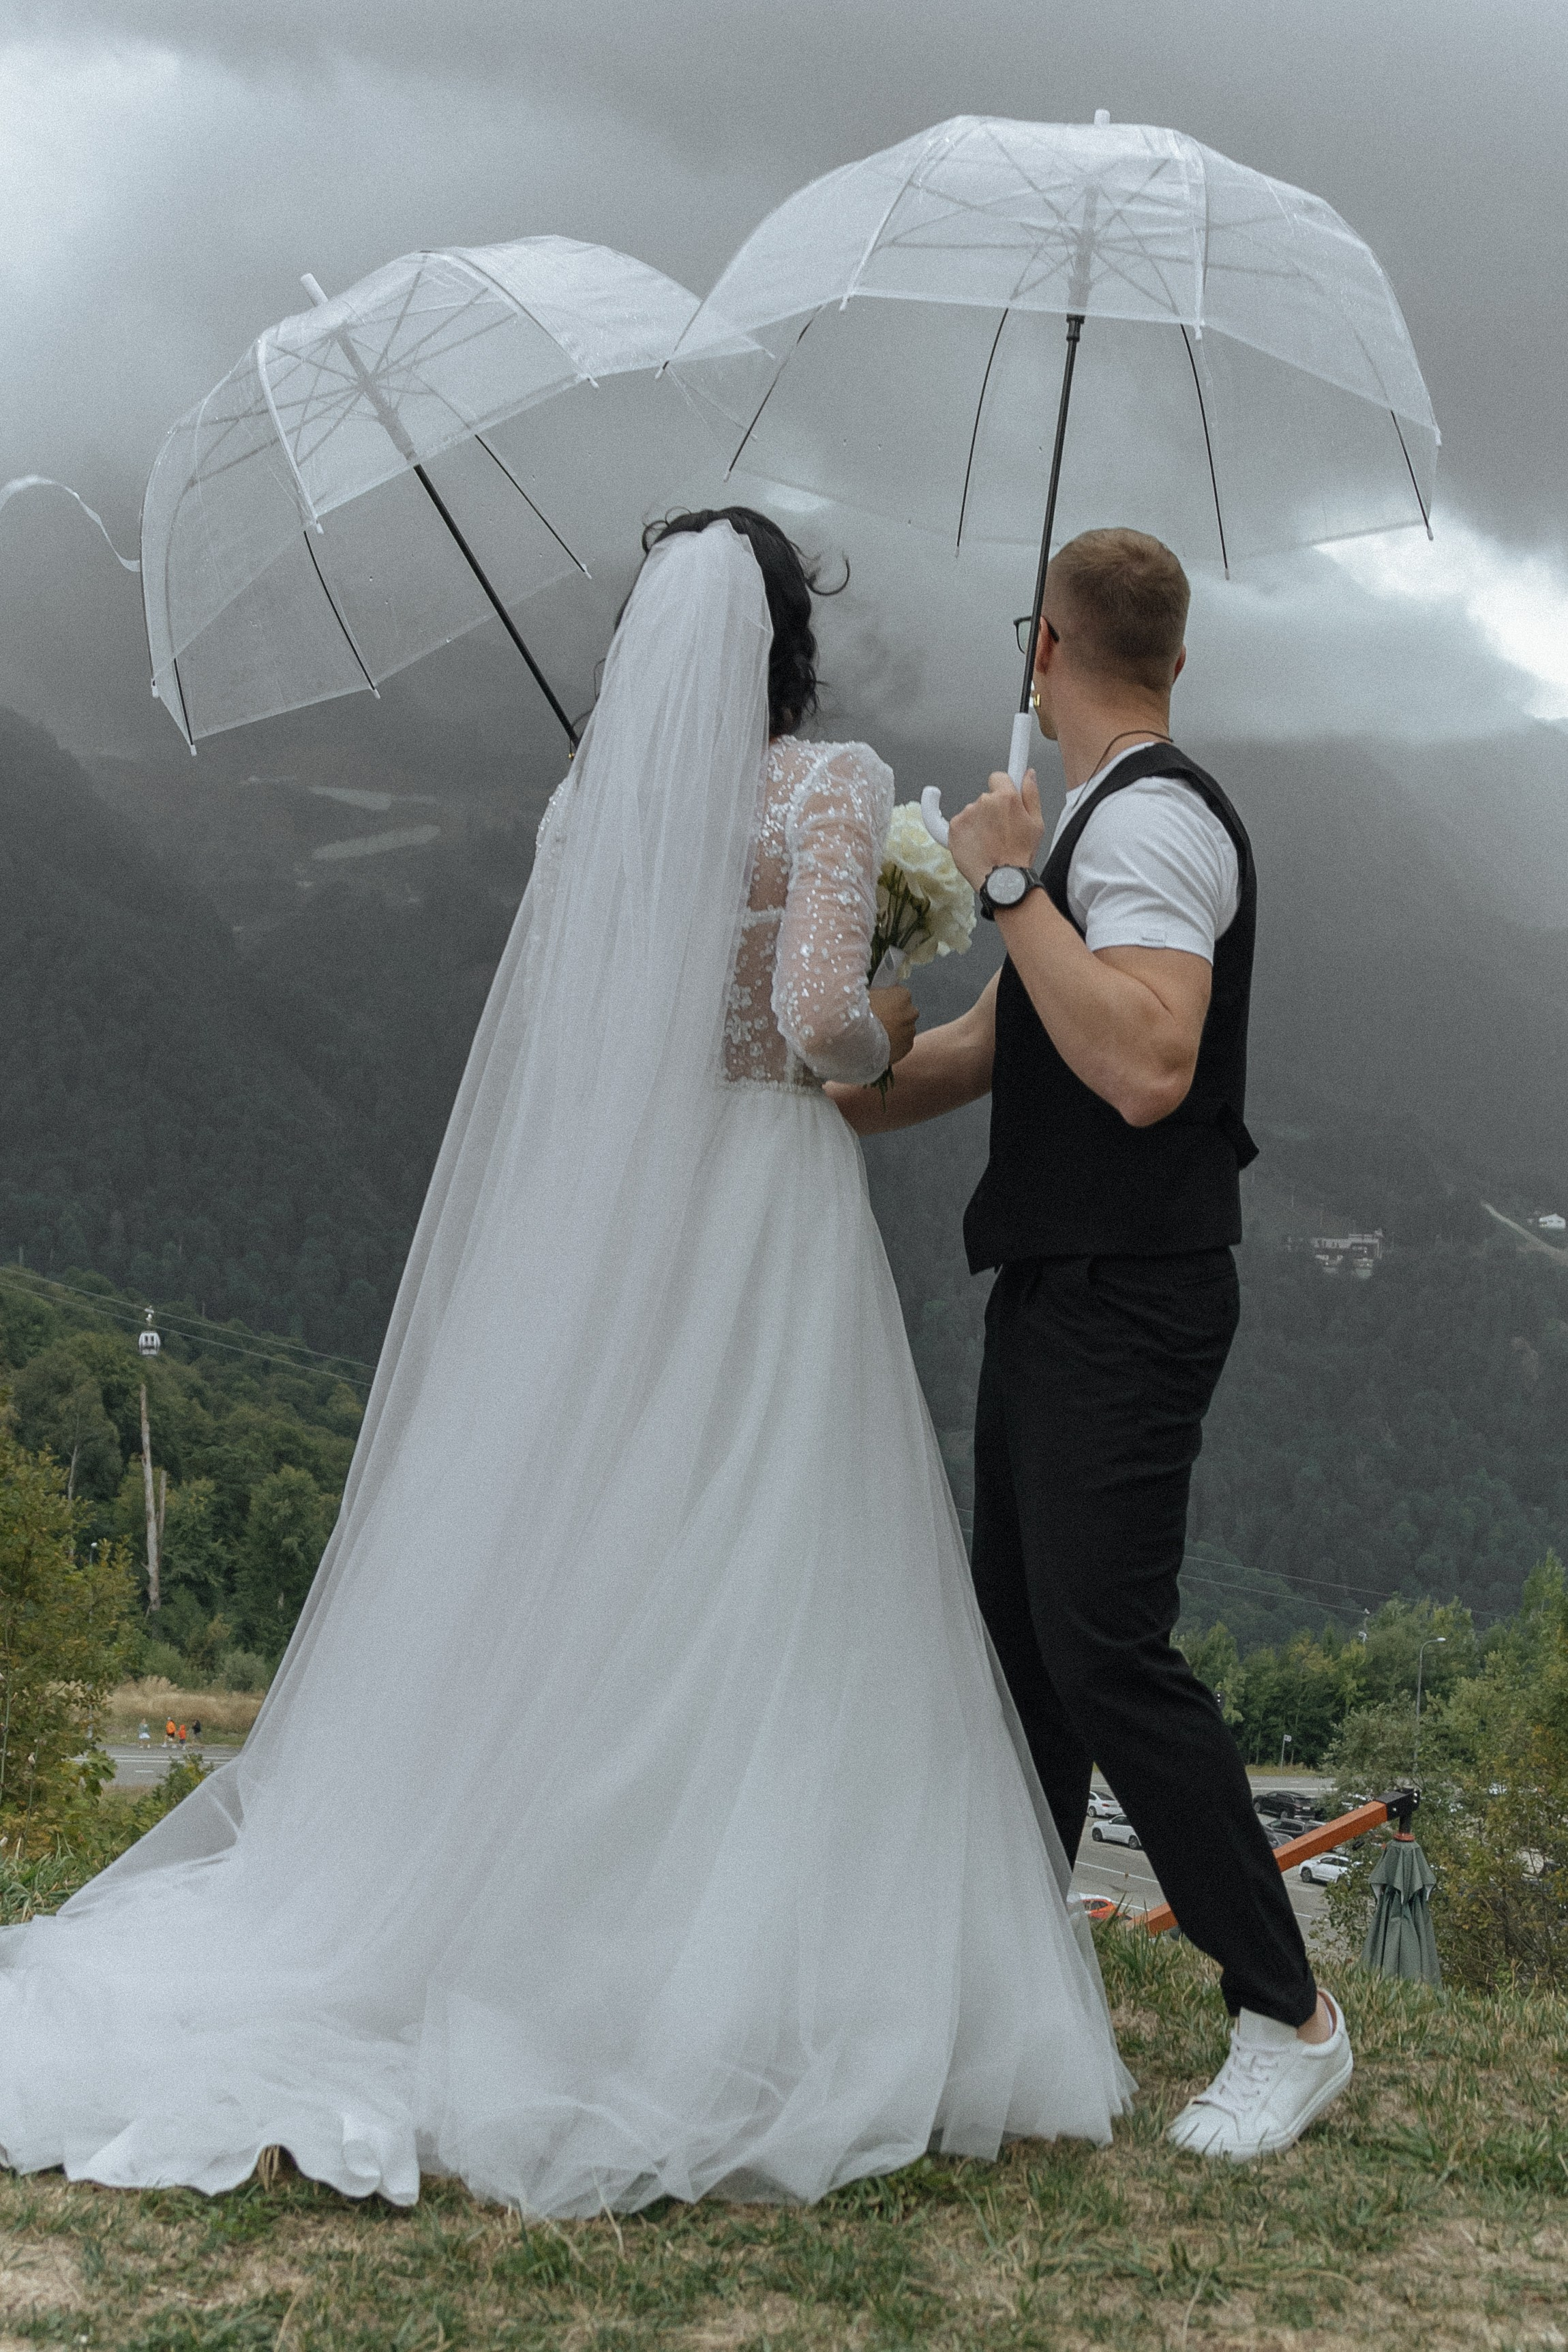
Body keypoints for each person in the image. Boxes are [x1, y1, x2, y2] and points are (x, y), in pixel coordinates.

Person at [0, 513, 1129, 2213]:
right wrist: (902, 1004)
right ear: (782, 648)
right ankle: (763, 1946)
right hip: (764, 1205)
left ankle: (556, 1915)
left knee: (603, 1535)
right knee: (777, 1552)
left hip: (621, 1210)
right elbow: (818, 1023)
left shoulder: (586, 807)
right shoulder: (826, 789)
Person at [830, 528, 1352, 2162]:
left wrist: (998, 881)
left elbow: (1145, 1062)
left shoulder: (1157, 825)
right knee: (1026, 1655)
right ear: (1173, 656)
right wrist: (834, 1063)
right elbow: (1002, 1043)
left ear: (1037, 649)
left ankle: (1289, 2014)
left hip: (1132, 1296)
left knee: (1104, 1649)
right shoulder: (1094, 839)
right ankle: (1012, 1983)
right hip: (1060, 1290)